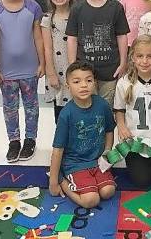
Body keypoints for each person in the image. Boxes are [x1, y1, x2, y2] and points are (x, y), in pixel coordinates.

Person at [0, 0, 45, 163]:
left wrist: (42, 63)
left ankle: (30, 139)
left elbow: (38, 37)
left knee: (31, 107)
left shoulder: (33, 7)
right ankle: (14, 141)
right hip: (6, 71)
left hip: (30, 68)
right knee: (10, 108)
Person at [49, 61, 117, 209]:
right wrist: (54, 181)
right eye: (77, 81)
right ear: (68, 86)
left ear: (95, 83)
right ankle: (63, 181)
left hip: (97, 161)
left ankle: (92, 183)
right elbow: (58, 149)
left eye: (88, 80)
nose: (84, 85)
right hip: (75, 163)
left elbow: (109, 129)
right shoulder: (66, 114)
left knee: (108, 191)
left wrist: (107, 151)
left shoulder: (102, 105)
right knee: (91, 200)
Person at [66, 0, 130, 107]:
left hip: (111, 71)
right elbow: (72, 39)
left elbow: (122, 36)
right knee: (85, 107)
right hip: (84, 72)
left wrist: (123, 63)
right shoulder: (77, 8)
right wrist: (72, 66)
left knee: (106, 109)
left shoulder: (116, 7)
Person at [113, 35, 151, 188]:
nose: (145, 61)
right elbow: (119, 110)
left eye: (150, 56)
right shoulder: (124, 82)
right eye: (140, 56)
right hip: (135, 143)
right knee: (141, 181)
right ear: (132, 57)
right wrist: (122, 126)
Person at [41, 0, 77, 122]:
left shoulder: (78, 15)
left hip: (75, 70)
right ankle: (62, 144)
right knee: (61, 115)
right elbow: (47, 48)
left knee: (78, 110)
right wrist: (50, 73)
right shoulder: (47, 19)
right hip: (57, 71)